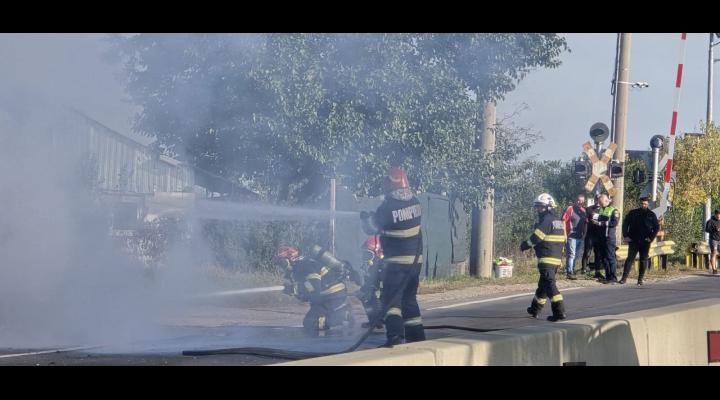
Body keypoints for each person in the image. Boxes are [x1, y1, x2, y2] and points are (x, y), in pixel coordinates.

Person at [361, 166, 424, 347]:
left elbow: (371, 228)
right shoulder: (415, 203)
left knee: (391, 301)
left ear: (391, 184)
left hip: (396, 264)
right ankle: (416, 337)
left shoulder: (387, 207)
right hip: (414, 263)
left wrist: (366, 218)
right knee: (409, 300)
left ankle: (395, 337)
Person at [274, 245, 355, 335]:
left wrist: (294, 289)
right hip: (326, 296)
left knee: (311, 324)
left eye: (282, 263)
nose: (281, 267)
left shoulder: (305, 265)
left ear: (291, 258)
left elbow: (315, 288)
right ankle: (339, 313)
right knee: (310, 321)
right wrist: (295, 292)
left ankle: (343, 315)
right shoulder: (299, 267)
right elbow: (308, 295)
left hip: (332, 295)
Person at [520, 193, 567, 322]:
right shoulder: (557, 221)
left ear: (549, 207)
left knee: (550, 285)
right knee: (543, 285)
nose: (538, 210)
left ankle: (559, 312)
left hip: (547, 258)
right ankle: (535, 309)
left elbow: (536, 237)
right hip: (555, 259)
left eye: (540, 207)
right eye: (537, 207)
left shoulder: (546, 221)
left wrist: (524, 245)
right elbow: (562, 241)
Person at [620, 196, 660, 285]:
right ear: (640, 203)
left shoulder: (651, 214)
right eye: (642, 204)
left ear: (648, 204)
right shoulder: (633, 213)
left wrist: (651, 238)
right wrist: (625, 235)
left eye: (645, 204)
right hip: (633, 240)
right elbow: (625, 223)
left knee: (643, 260)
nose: (643, 205)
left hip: (645, 241)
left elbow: (656, 227)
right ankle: (624, 278)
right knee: (630, 259)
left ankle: (640, 279)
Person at [357, 235, 385, 329]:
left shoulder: (380, 267)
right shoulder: (377, 265)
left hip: (388, 298)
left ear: (377, 253)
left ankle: (377, 320)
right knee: (366, 293)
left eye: (368, 255)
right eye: (365, 255)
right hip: (383, 296)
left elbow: (374, 285)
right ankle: (376, 320)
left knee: (366, 295)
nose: (366, 258)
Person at [592, 193, 620, 284]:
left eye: (601, 202)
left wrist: (600, 223)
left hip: (609, 238)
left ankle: (613, 277)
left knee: (610, 257)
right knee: (604, 258)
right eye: (599, 202)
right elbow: (598, 219)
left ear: (606, 201)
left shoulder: (614, 210)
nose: (599, 204)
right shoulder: (600, 210)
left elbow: (614, 223)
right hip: (601, 238)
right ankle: (608, 277)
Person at [562, 194, 587, 280]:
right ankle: (570, 272)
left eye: (582, 201)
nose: (580, 202)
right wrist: (564, 234)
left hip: (580, 237)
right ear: (575, 200)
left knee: (576, 255)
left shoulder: (583, 210)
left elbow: (586, 223)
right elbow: (564, 221)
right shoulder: (570, 209)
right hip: (571, 235)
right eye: (579, 200)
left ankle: (570, 269)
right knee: (571, 254)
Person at [705, 209, 720, 275]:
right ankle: (714, 269)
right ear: (715, 214)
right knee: (714, 253)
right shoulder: (710, 221)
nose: (719, 217)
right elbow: (707, 230)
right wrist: (715, 229)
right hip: (713, 239)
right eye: (718, 215)